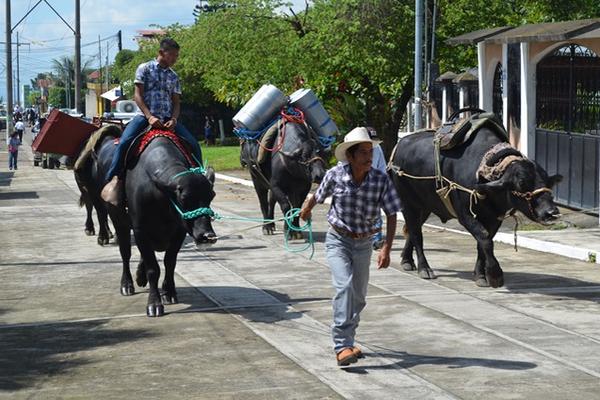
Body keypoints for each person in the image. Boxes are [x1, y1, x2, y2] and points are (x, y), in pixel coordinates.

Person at [299, 127, 402, 367]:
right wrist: (306, 210)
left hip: (364, 243)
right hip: (338, 240)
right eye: (363, 153)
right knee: (344, 287)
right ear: (351, 156)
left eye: (370, 152)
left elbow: (392, 213)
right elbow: (318, 194)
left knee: (358, 297)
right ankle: (341, 345)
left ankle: (349, 339)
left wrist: (386, 247)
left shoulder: (380, 179)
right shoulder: (335, 174)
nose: (368, 157)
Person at [101, 37, 203, 205]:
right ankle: (113, 179)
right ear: (161, 53)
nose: (175, 59)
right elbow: (138, 96)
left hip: (168, 120)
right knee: (125, 142)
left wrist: (174, 119)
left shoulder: (173, 76)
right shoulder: (145, 69)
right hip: (145, 117)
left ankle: (198, 180)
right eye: (173, 55)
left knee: (193, 144)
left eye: (177, 56)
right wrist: (149, 117)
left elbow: (176, 102)